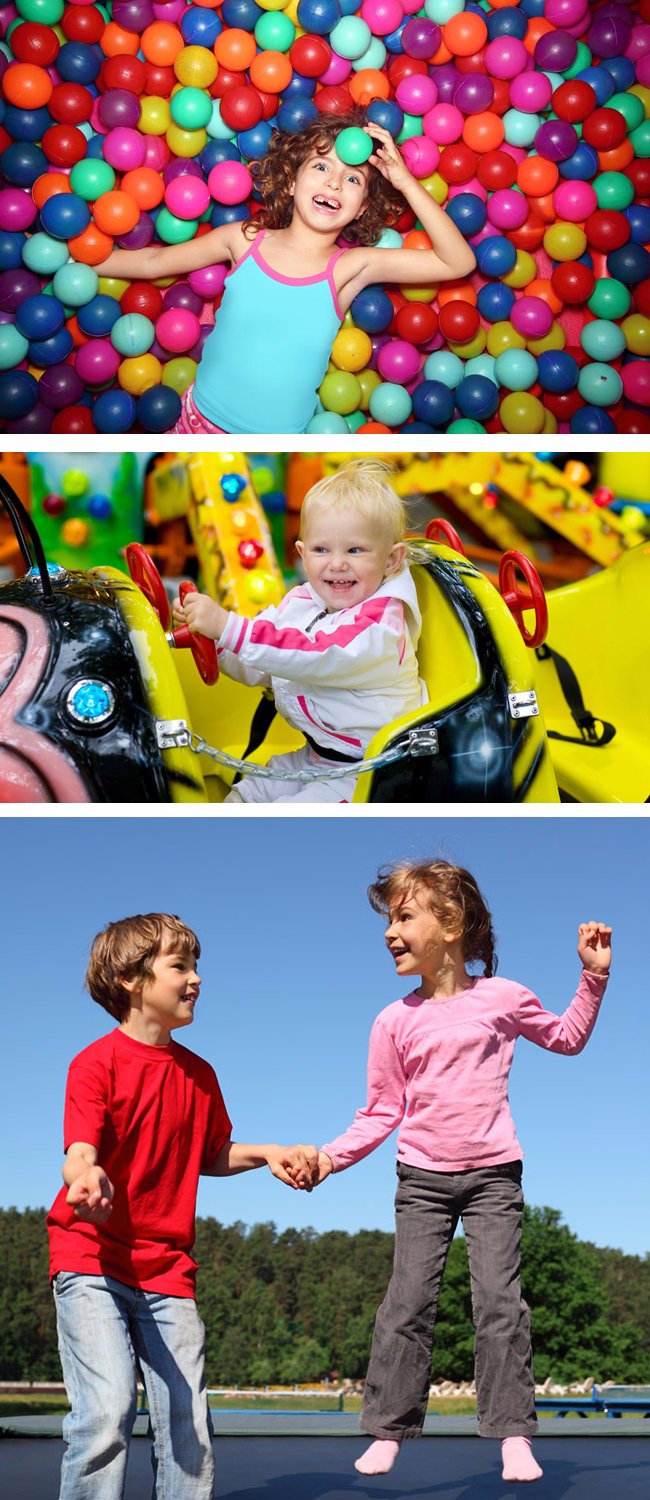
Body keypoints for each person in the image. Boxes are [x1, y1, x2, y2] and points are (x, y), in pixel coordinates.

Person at [309, 859, 612, 1483]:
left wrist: (592, 977)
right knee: (407, 1303)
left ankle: (513, 1436)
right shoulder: (393, 1021)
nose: (390, 932)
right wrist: (330, 1158)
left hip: (493, 1176)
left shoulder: (502, 998)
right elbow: (381, 1110)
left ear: (450, 924)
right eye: (388, 920)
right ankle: (388, 1429)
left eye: (403, 916)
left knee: (500, 1304)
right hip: (421, 1179)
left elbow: (565, 1038)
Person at [47, 912, 318, 1500]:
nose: (195, 978)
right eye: (180, 966)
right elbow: (79, 1148)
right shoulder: (95, 1063)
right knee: (107, 1410)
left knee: (188, 1425)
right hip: (91, 1259)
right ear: (130, 979)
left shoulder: (200, 1075)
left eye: (196, 966)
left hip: (167, 1269)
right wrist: (84, 1174)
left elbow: (211, 1153)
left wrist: (268, 1153)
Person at [95, 114, 476, 435]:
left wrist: (405, 182)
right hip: (197, 423)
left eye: (353, 179)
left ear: (361, 209)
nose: (334, 183)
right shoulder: (243, 240)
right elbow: (153, 263)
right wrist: (85, 262)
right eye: (322, 166)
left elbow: (457, 262)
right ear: (292, 182)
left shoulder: (350, 267)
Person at [173, 460, 427, 803]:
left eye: (355, 550)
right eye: (322, 550)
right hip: (320, 754)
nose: (336, 563)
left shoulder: (380, 628)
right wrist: (216, 643)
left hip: (372, 772)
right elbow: (268, 663)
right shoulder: (304, 602)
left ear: (391, 560)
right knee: (249, 793)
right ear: (302, 555)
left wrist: (228, 627)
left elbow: (313, 653)